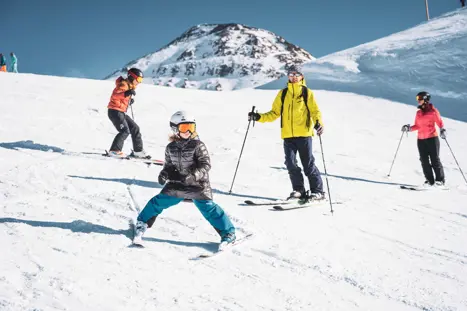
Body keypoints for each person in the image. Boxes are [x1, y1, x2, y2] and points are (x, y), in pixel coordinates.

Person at [133, 111, 236, 247]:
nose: (188, 131)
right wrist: (164, 174)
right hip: (178, 184)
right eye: (183, 127)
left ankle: (228, 233)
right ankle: (142, 223)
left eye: (191, 127)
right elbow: (169, 165)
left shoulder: (198, 145)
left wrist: (193, 176)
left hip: (197, 184)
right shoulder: (171, 147)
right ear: (175, 129)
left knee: (209, 209)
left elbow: (205, 164)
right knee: (157, 202)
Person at [248, 66, 325, 201]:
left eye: (296, 74)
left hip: (304, 135)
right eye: (291, 74)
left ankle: (318, 192)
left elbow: (315, 111)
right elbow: (274, 113)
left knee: (308, 164)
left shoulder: (307, 93)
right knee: (290, 163)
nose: (293, 77)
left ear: (302, 76)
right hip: (288, 135)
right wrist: (258, 117)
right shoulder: (283, 94)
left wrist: (318, 123)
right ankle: (299, 190)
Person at [401, 91, 446, 186]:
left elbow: (440, 123)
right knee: (424, 160)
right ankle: (430, 181)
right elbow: (417, 126)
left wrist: (442, 130)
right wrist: (408, 128)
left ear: (425, 99)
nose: (418, 100)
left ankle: (440, 181)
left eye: (419, 98)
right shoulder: (418, 113)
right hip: (421, 140)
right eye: (417, 98)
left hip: (432, 139)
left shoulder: (433, 112)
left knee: (435, 160)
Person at [107, 68, 149, 158]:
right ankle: (114, 151)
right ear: (132, 77)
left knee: (135, 128)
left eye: (141, 80)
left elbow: (121, 99)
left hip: (120, 112)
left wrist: (129, 100)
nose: (139, 82)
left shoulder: (129, 86)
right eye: (138, 79)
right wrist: (126, 94)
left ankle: (138, 151)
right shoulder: (123, 84)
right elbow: (115, 95)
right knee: (124, 131)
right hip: (114, 111)